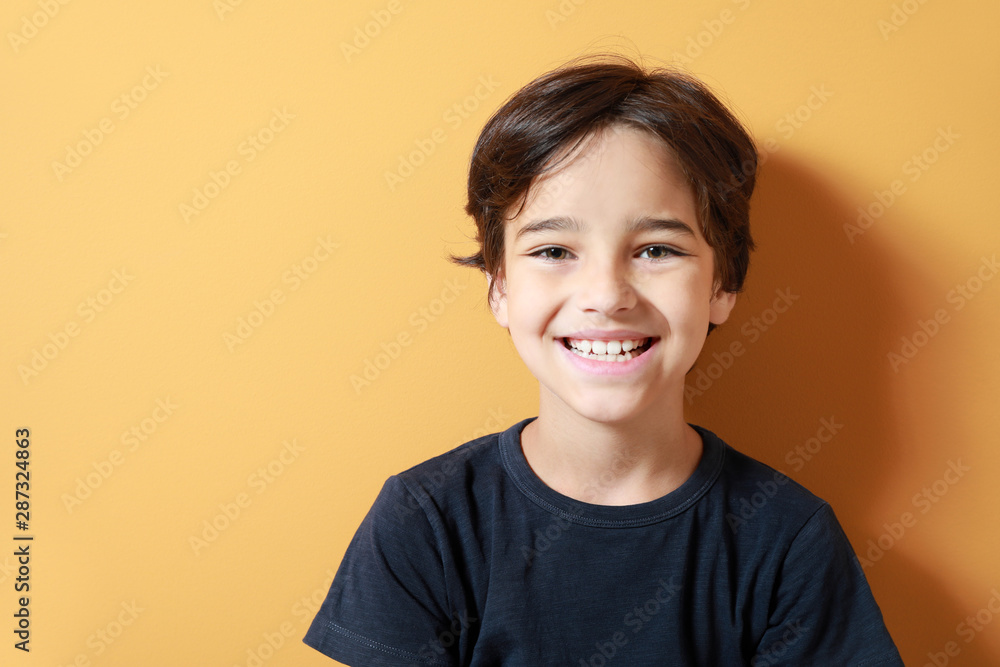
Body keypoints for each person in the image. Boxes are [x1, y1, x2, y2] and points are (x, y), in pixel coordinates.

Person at [303, 54, 903, 665]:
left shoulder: (788, 541)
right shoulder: (426, 522)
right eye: (556, 249)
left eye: (657, 249)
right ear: (500, 287)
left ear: (722, 285)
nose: (607, 296)